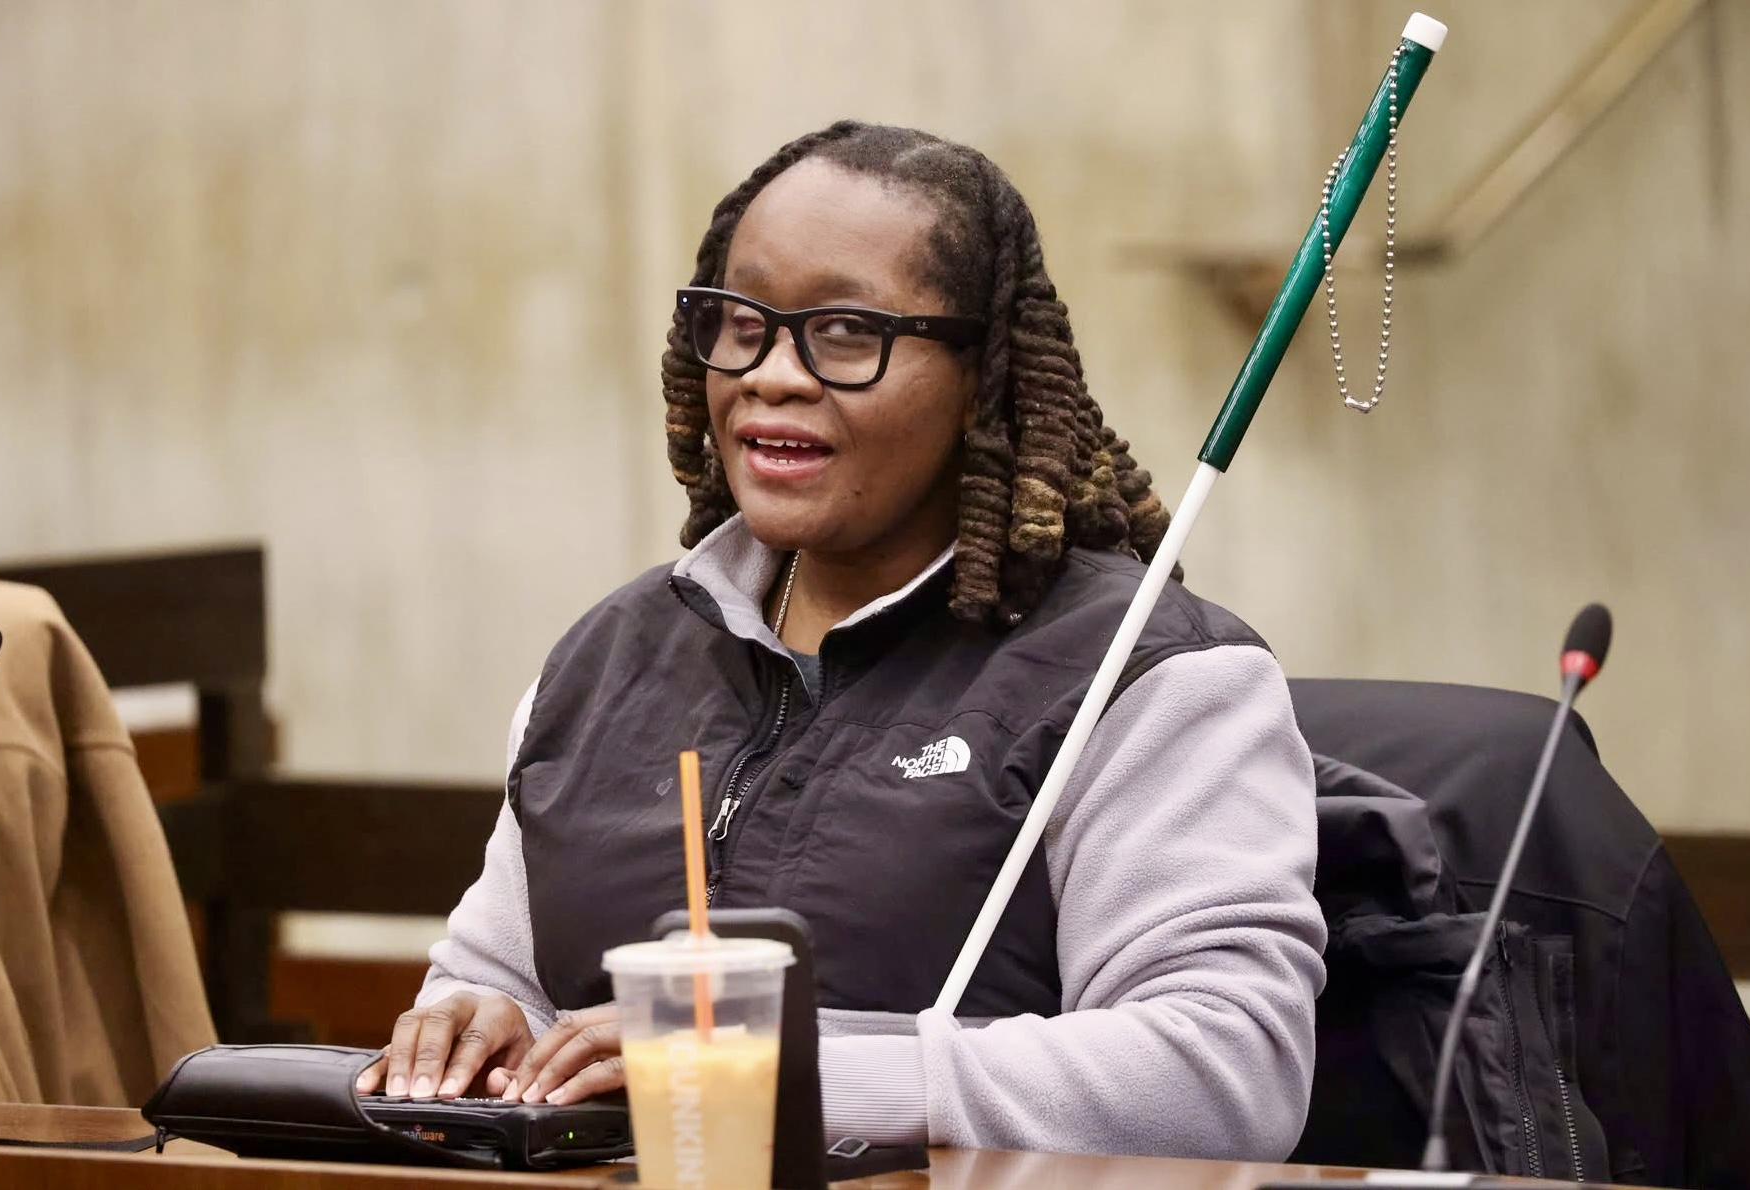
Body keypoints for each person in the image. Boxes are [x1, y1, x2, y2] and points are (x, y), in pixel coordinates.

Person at [359, 120, 1327, 1160]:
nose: (771, 373)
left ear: (979, 374)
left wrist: (800, 1073)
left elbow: (1228, 1071)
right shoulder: (605, 660)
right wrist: (471, 1028)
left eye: (847, 333)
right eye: (741, 322)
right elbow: (503, 982)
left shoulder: (1153, 678)